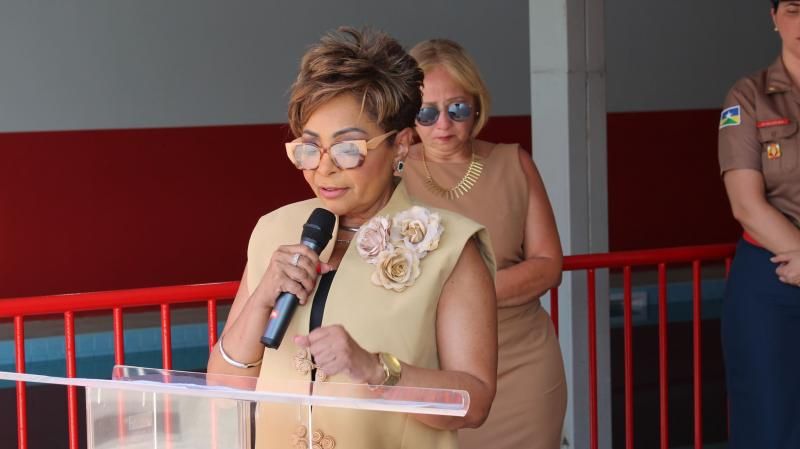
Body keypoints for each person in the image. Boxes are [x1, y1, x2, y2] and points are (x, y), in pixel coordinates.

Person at [206, 27, 498, 449]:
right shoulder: (274, 230)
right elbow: (224, 384)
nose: (324, 169)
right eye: (309, 148)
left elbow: (475, 403)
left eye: (348, 149)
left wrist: (378, 370)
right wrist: (262, 296)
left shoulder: (450, 247)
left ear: (400, 145)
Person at [402, 39, 566, 449]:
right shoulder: (390, 175)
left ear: (477, 104)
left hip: (522, 368)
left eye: (457, 109)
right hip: (429, 372)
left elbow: (548, 264)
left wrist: (466, 297)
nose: (443, 124)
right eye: (426, 112)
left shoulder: (514, 163)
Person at [718, 1, 800, 447]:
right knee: (769, 427)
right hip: (770, 280)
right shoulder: (748, 96)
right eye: (794, 9)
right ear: (773, 16)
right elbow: (746, 204)